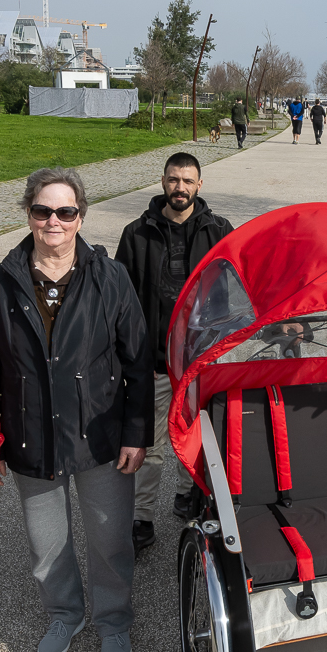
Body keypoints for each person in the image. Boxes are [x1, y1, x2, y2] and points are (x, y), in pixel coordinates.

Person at [0, 168, 151, 652]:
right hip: (33, 437)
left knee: (110, 538)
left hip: (101, 434)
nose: (53, 221)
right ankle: (64, 613)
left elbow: (138, 360)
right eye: (42, 211)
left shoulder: (109, 276)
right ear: (28, 215)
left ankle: (114, 619)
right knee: (46, 543)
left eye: (65, 211)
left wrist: (137, 434)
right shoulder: (2, 283)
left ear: (81, 218)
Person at [114, 152, 234, 544]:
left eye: (187, 180)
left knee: (199, 434)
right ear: (162, 182)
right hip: (155, 362)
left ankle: (188, 494)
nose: (179, 187)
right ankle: (142, 516)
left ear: (200, 184)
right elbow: (122, 301)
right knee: (149, 445)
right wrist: (132, 355)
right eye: (172, 179)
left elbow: (237, 291)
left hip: (201, 360)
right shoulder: (137, 234)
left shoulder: (219, 231)